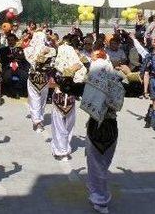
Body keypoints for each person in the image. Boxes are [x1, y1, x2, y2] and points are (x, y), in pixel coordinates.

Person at [57, 50, 124, 214]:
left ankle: (100, 201)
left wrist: (69, 71)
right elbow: (131, 89)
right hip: (112, 127)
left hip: (96, 127)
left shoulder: (90, 85)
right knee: (102, 163)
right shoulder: (117, 83)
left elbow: (66, 86)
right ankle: (95, 188)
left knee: (97, 165)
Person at [50, 34, 85, 161]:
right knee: (59, 125)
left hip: (70, 97)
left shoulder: (79, 65)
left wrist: (77, 67)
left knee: (69, 124)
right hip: (59, 95)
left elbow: (83, 77)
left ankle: (64, 147)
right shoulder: (55, 65)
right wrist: (68, 72)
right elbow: (52, 82)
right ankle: (60, 150)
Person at [24, 30, 56, 132]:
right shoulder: (48, 50)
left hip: (39, 77)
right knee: (40, 99)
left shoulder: (29, 50)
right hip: (39, 76)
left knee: (37, 99)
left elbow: (52, 63)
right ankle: (37, 121)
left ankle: (38, 120)